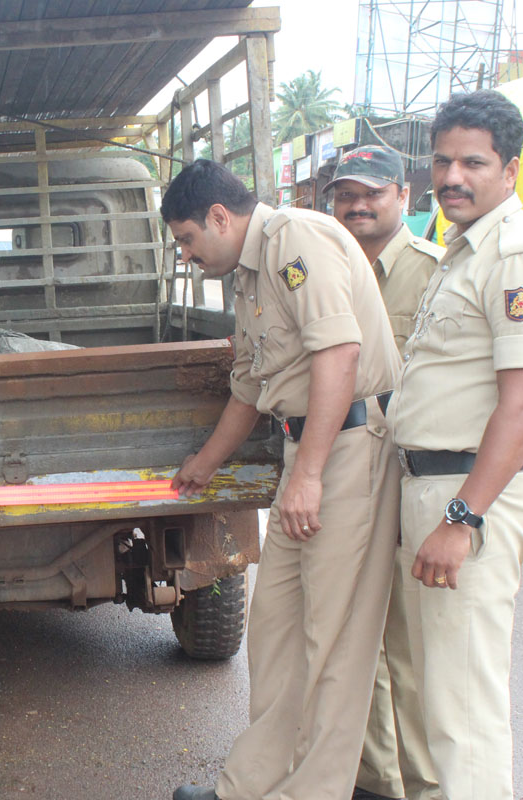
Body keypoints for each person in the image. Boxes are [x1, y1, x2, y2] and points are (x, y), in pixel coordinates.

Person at [165, 159, 402, 800]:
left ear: (220, 216)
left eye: (187, 239)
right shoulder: (246, 274)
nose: (187, 255)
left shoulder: (297, 239)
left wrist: (311, 476)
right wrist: (205, 463)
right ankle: (249, 785)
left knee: (334, 637)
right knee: (275, 627)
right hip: (310, 449)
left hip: (350, 449)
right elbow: (250, 380)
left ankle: (314, 791)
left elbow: (339, 354)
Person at [388, 90, 523, 800]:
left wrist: (461, 520)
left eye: (473, 162)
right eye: (441, 160)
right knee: (431, 696)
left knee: (463, 707)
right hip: (434, 486)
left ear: (509, 168)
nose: (452, 175)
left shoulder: (518, 253)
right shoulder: (464, 249)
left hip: (468, 496)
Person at [328, 145, 442, 800]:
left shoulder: (433, 273)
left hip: (414, 476)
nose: (358, 206)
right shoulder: (327, 269)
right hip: (349, 473)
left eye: (372, 193)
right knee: (356, 637)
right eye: (346, 195)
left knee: (411, 648)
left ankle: (426, 786)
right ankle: (374, 781)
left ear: (404, 195)